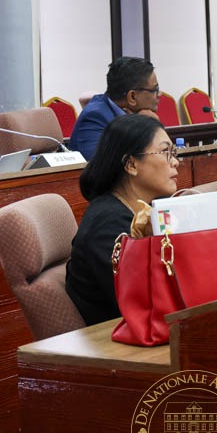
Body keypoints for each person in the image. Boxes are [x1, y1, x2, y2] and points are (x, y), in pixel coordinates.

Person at [64, 113, 179, 326]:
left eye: (174, 152)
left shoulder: (143, 211)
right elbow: (143, 301)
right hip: (120, 339)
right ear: (131, 164)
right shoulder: (107, 226)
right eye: (165, 152)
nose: (176, 162)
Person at [69, 57, 160, 158]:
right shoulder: (94, 118)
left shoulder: (134, 113)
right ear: (132, 97)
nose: (159, 94)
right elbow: (100, 163)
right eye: (155, 89)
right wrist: (145, 128)